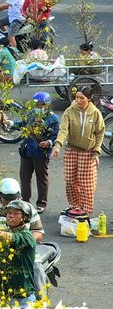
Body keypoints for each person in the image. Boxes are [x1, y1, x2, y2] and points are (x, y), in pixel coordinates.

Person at [52, 86, 105, 215]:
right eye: (77, 97)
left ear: (89, 99)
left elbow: (100, 132)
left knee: (86, 183)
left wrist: (97, 151)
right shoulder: (70, 111)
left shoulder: (95, 113)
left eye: (82, 98)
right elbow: (63, 130)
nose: (78, 100)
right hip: (71, 150)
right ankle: (74, 206)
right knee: (70, 180)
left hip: (88, 152)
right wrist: (58, 145)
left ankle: (85, 209)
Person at [10, 92, 59, 213]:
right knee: (25, 177)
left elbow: (56, 135)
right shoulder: (32, 114)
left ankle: (41, 203)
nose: (38, 108)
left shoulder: (53, 119)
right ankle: (25, 201)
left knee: (41, 178)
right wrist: (10, 123)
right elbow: (23, 125)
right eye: (36, 105)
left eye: (41, 105)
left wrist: (48, 142)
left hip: (40, 153)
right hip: (27, 151)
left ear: (47, 105)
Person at [0, 178, 45, 242]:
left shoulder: (27, 208)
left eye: (13, 199)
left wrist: (24, 241)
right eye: (6, 200)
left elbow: (38, 232)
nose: (10, 203)